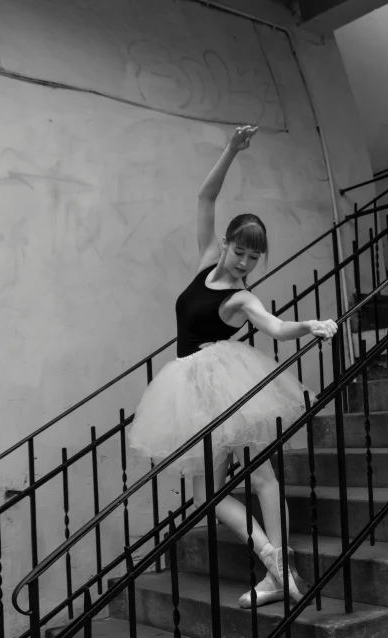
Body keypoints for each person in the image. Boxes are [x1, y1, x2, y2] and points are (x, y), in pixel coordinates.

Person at [129, 125, 337, 608]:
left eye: (253, 257)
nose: (245, 262)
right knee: (208, 495)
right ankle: (275, 567)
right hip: (192, 389)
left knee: (262, 477)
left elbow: (275, 327)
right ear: (225, 244)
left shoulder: (242, 296)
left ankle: (276, 573)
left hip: (227, 385)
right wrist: (230, 150)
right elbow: (206, 196)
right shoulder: (205, 262)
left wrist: (311, 325)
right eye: (240, 251)